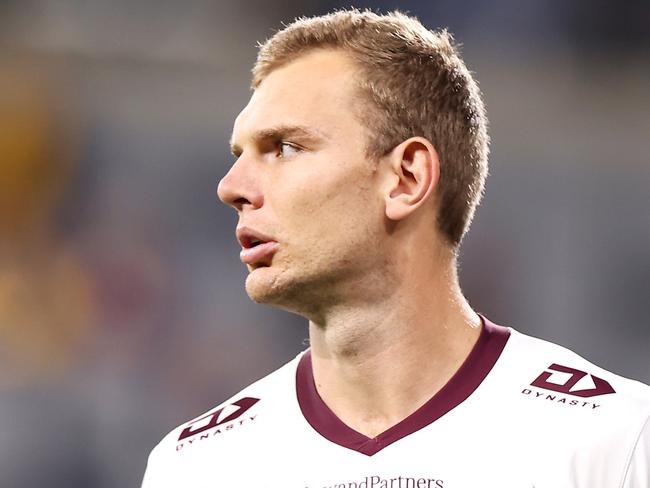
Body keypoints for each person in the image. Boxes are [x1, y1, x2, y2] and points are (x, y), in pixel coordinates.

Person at [141, 9, 650, 487]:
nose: (230, 187)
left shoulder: (616, 441)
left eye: (285, 148)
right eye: (239, 154)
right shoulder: (196, 467)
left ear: (407, 178)